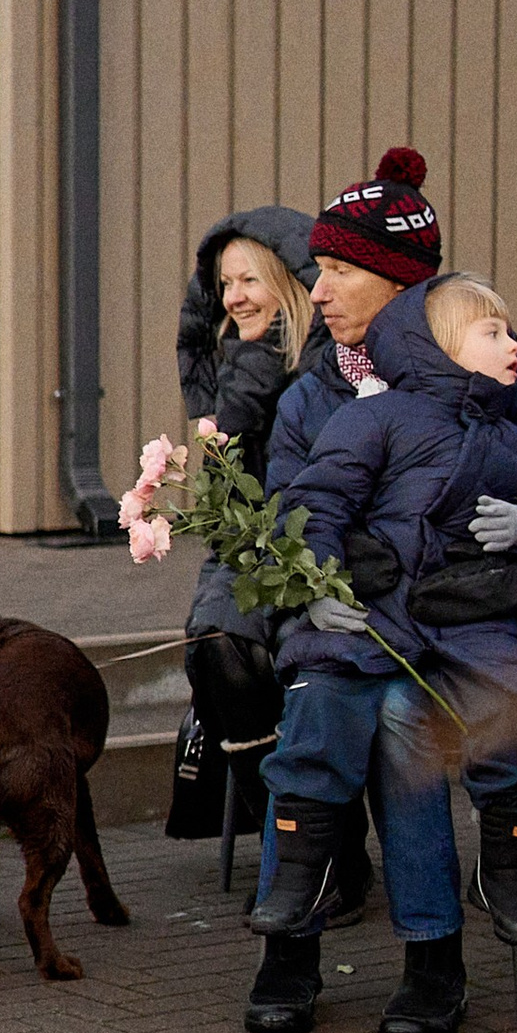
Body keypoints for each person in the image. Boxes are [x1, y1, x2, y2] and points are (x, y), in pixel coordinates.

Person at [245, 147, 517, 1033]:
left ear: (403, 285)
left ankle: (430, 959)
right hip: (350, 631)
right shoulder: (315, 394)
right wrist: (320, 584)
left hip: (468, 635)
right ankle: (294, 948)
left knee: (404, 716)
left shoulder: (510, 378)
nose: (316, 290)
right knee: (337, 699)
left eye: (340, 270)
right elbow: (284, 521)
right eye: (317, 269)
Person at [171, 206, 319, 851]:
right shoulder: (240, 362)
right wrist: (245, 377)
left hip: (324, 545)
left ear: (287, 283)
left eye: (250, 280)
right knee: (216, 645)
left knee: (274, 656)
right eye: (225, 284)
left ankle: (323, 842)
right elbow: (227, 491)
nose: (234, 296)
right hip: (251, 547)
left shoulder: (332, 364)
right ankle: (283, 829)